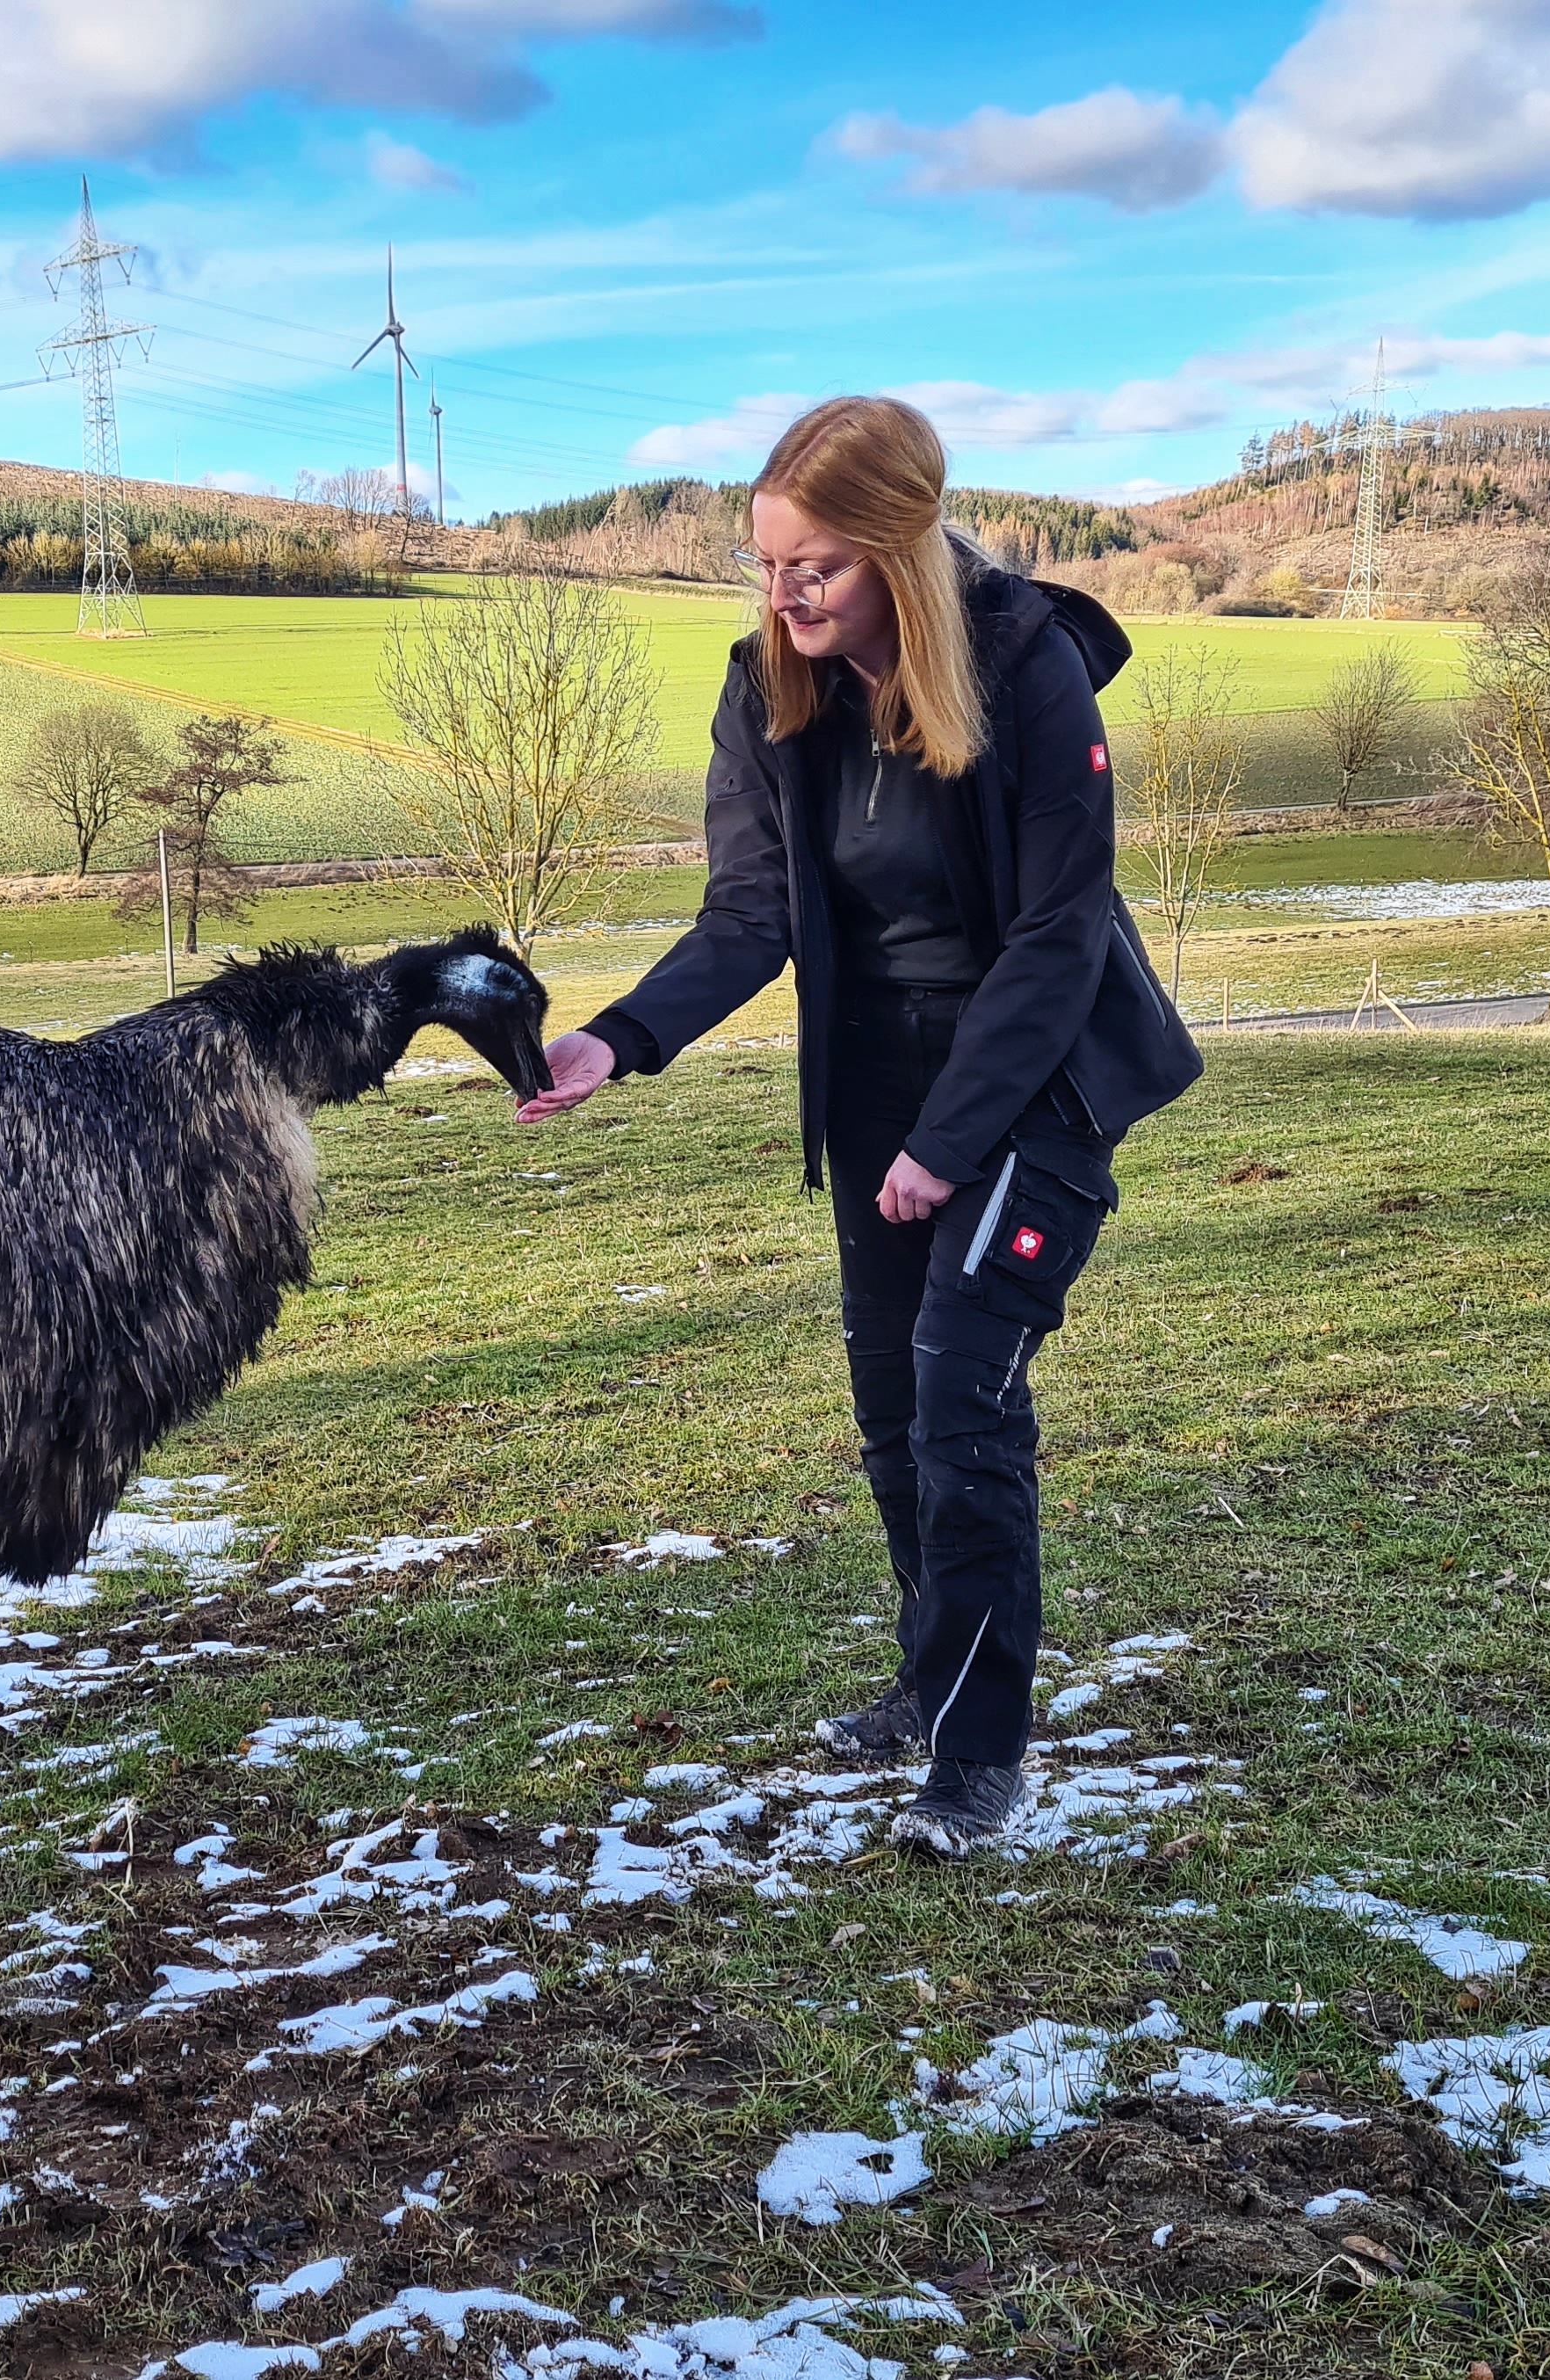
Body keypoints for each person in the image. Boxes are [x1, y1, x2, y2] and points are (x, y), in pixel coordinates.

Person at [518, 395, 1201, 1859]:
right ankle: (927, 1676)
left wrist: (947, 1146)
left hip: (1033, 1076)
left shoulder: (1029, 669)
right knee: (893, 1410)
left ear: (899, 550)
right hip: (873, 1077)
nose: (783, 596)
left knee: (964, 1394)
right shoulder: (770, 690)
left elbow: (1058, 939)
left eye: (814, 567)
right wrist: (616, 1039)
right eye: (764, 565)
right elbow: (749, 914)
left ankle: (977, 1755)